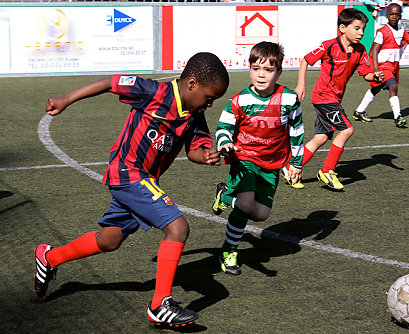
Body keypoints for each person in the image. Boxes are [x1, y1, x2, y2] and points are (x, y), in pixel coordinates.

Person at [33, 52, 229, 327]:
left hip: (145, 180)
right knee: (178, 228)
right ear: (192, 83)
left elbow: (195, 149)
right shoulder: (154, 91)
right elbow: (111, 83)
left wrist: (206, 155)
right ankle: (160, 304)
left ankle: (49, 257)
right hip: (127, 171)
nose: (210, 104)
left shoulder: (195, 115)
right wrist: (66, 99)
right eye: (210, 97)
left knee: (109, 240)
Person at [211, 41, 304, 274]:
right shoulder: (240, 99)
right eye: (256, 69)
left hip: (272, 164)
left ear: (279, 72)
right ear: (250, 69)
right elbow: (223, 126)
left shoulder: (289, 99)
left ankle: (224, 196)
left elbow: (297, 131)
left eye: (268, 70)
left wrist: (296, 162)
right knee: (244, 204)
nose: (261, 75)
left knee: (260, 215)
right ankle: (228, 251)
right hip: (244, 160)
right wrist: (225, 143)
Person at [294, 8, 384, 191]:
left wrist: (374, 77)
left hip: (333, 98)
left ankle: (291, 167)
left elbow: (364, 73)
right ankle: (327, 171)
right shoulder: (329, 46)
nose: (361, 33)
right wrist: (301, 85)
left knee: (321, 138)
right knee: (346, 130)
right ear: (342, 28)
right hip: (323, 96)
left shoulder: (360, 50)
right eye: (357, 28)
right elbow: (305, 60)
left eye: (363, 29)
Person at [353, 3, 409, 128]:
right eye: (391, 14)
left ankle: (359, 111)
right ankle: (398, 117)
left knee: (376, 89)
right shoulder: (382, 32)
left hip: (393, 65)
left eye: (397, 14)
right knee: (393, 86)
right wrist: (376, 68)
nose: (394, 16)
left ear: (400, 16)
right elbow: (374, 50)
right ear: (387, 15)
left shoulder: (401, 29)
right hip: (383, 66)